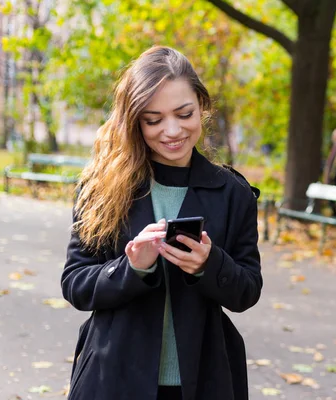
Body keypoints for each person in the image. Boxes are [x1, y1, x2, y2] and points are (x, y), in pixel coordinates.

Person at [61, 46, 262, 400]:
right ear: (135, 120)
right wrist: (131, 268)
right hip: (113, 378)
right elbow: (75, 283)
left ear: (202, 105)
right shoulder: (102, 187)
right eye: (153, 120)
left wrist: (209, 263)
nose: (172, 131)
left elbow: (247, 290)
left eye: (183, 113)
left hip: (204, 379)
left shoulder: (234, 193)